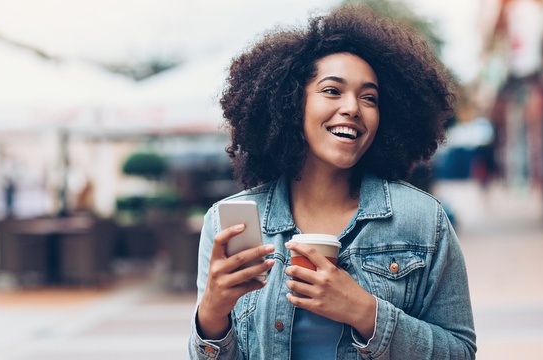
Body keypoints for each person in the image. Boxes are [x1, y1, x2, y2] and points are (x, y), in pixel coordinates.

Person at [188, 4, 476, 359]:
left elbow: (460, 352)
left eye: (369, 97)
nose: (353, 107)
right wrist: (212, 313)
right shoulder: (227, 223)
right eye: (332, 91)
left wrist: (364, 312)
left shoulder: (422, 220)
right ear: (292, 102)